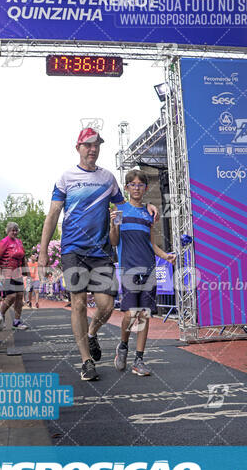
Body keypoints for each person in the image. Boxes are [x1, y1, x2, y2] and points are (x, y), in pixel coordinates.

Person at [38, 127, 158, 381]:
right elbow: (52, 216)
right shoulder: (66, 178)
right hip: (73, 249)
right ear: (78, 148)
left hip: (101, 250)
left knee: (105, 306)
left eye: (96, 145)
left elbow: (124, 204)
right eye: (87, 145)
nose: (92, 149)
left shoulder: (107, 178)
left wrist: (146, 205)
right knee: (79, 303)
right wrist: (42, 254)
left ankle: (92, 333)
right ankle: (86, 361)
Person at [110, 169, 176, 375]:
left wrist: (165, 256)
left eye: (140, 185)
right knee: (131, 314)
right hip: (129, 269)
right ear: (127, 187)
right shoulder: (120, 209)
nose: (136, 188)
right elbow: (114, 241)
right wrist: (113, 225)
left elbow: (151, 244)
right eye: (132, 185)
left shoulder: (149, 213)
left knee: (145, 315)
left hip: (149, 269)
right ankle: (123, 346)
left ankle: (139, 359)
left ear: (145, 188)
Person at [0, 222, 28, 330]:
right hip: (7, 273)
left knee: (19, 297)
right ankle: (0, 316)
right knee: (11, 296)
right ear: (8, 231)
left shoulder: (19, 242)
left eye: (16, 230)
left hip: (17, 273)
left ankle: (17, 321)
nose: (15, 232)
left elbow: (23, 258)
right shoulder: (3, 242)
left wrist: (26, 271)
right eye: (12, 230)